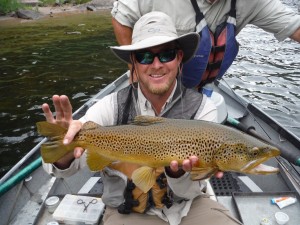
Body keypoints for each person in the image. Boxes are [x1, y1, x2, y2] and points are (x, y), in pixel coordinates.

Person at [42, 12, 242, 225]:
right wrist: (65, 146)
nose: (156, 65)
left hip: (187, 207)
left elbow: (192, 189)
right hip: (127, 211)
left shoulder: (203, 110)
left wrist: (177, 175)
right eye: (145, 56)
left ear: (179, 58)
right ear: (134, 63)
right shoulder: (110, 107)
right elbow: (64, 170)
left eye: (167, 54)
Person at [111, 0, 300, 88]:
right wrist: (134, 68)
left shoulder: (254, 2)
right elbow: (121, 17)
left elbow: (295, 26)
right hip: (154, 83)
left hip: (200, 86)